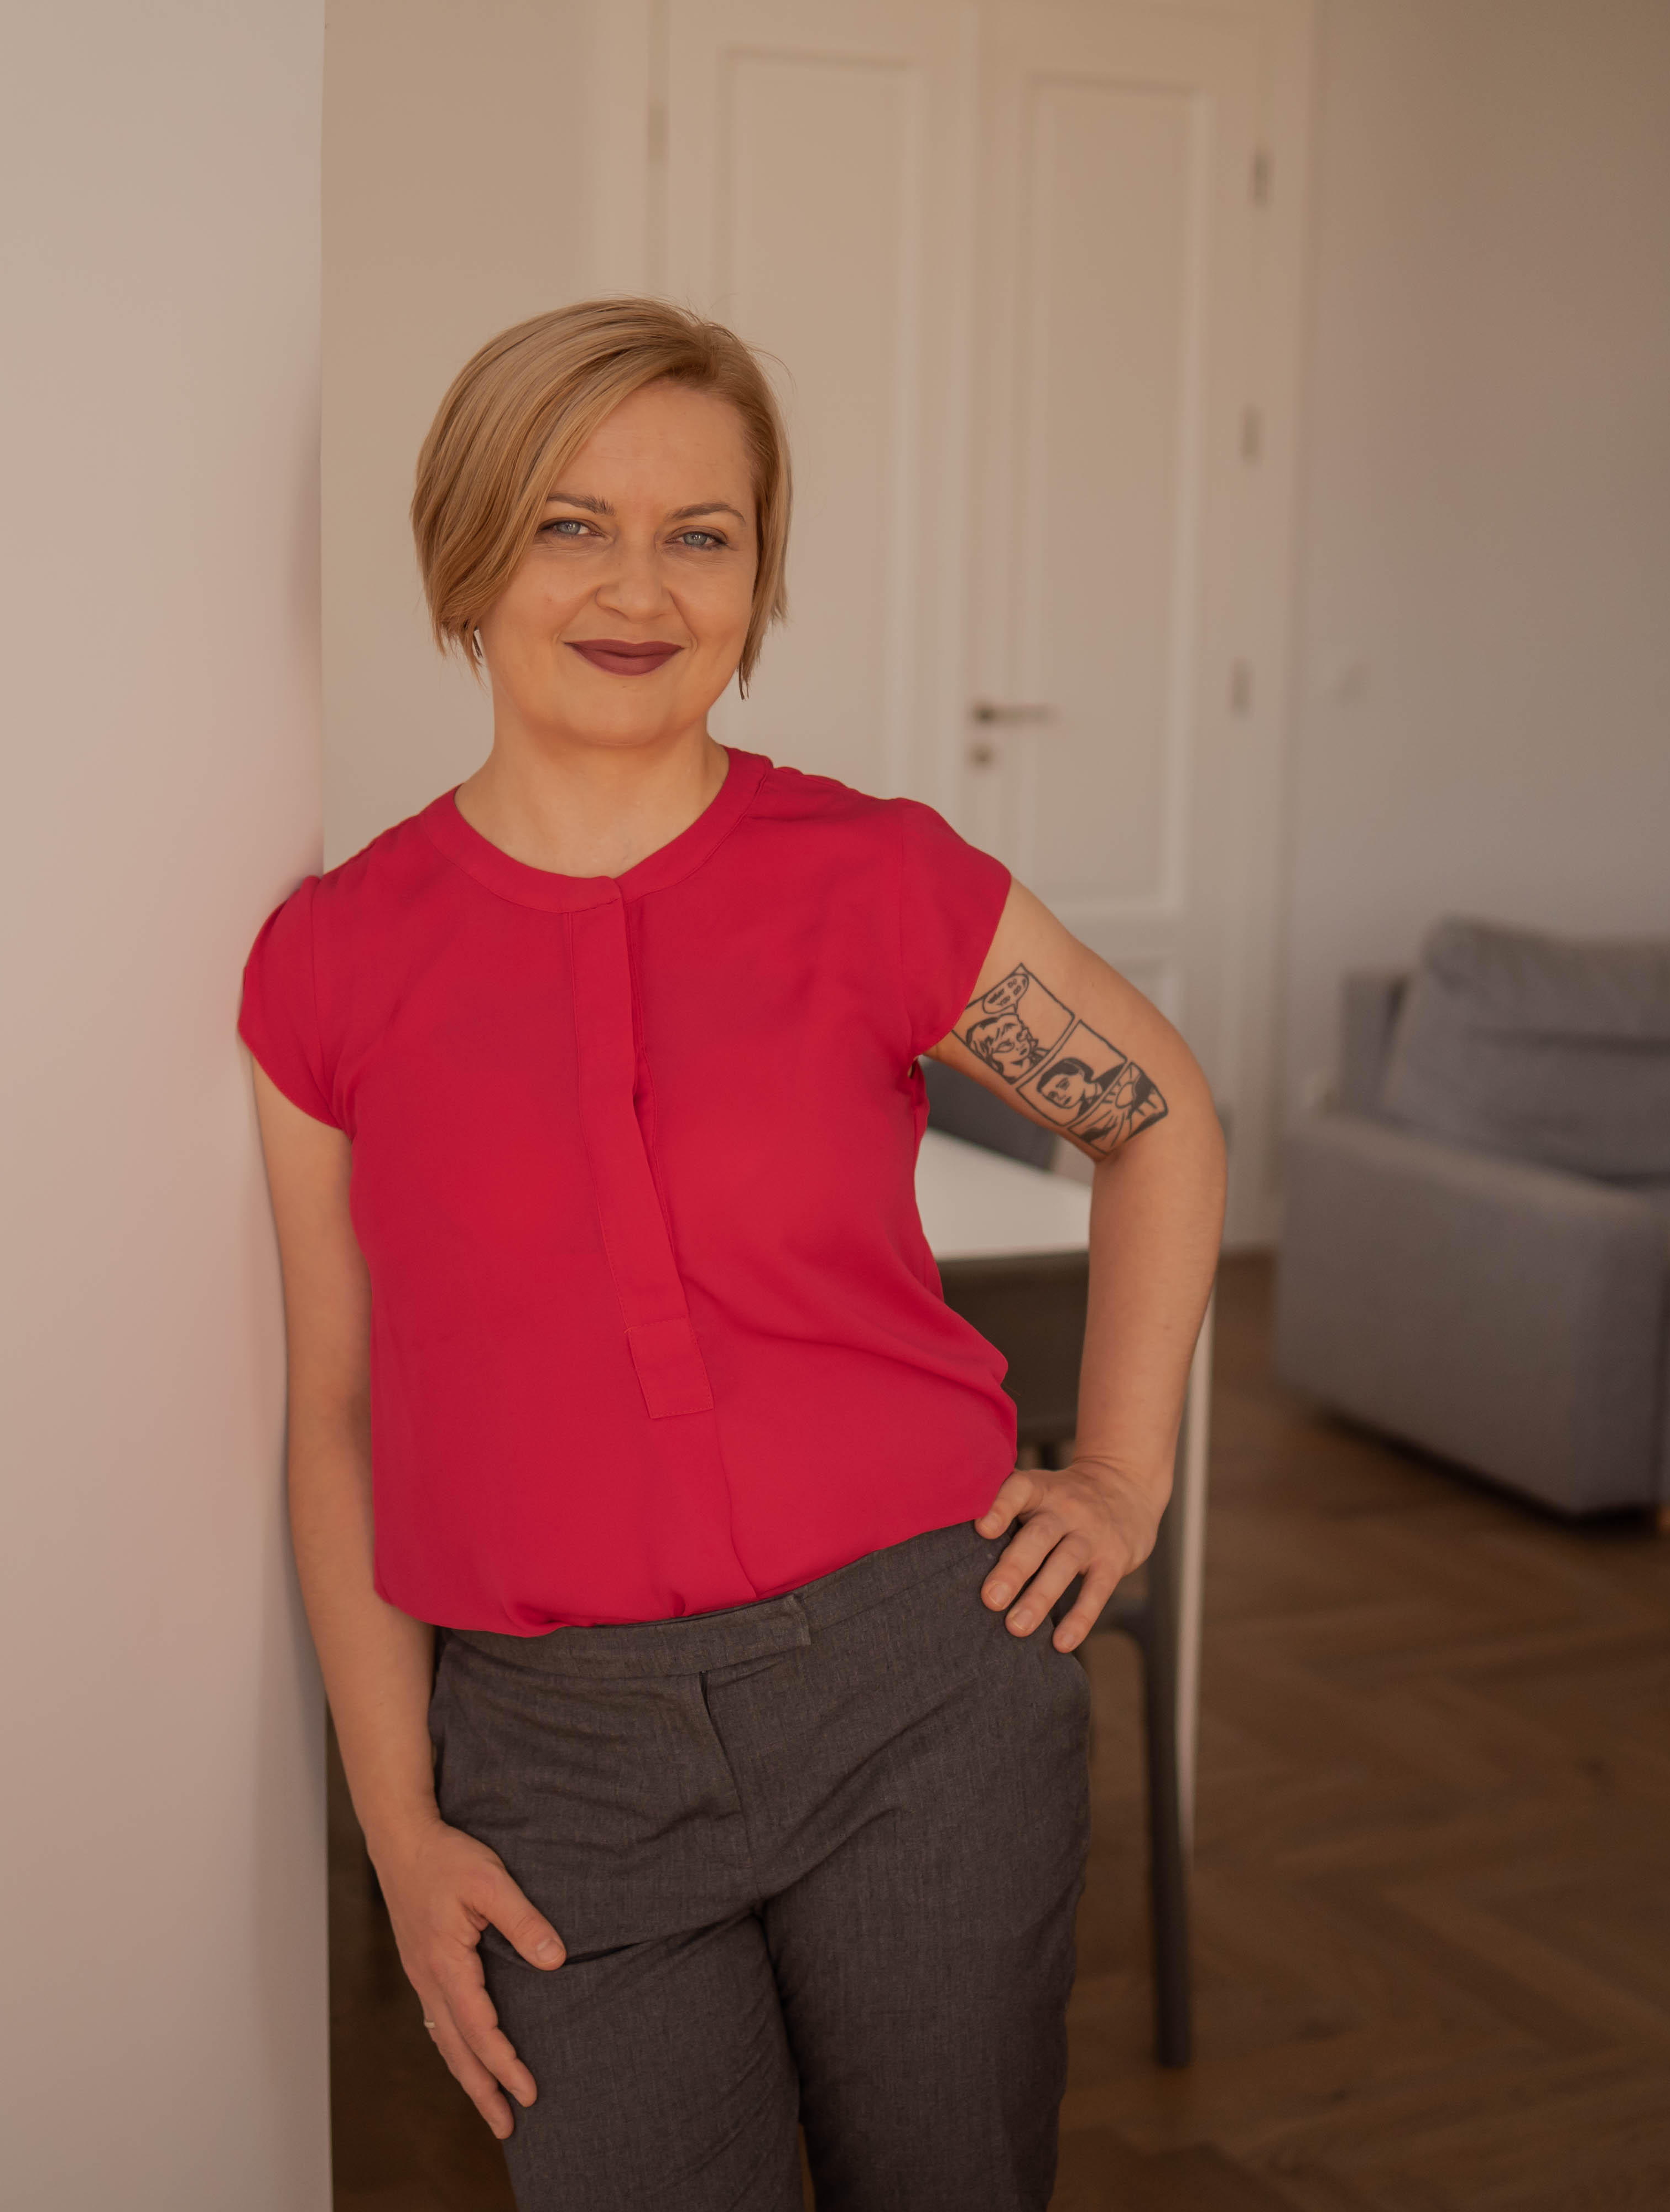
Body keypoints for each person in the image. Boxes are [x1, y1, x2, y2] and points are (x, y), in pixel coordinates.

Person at [241, 297, 1225, 2211]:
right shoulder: (332, 964)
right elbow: (340, 1414)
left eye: (701, 534)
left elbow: (1161, 1114)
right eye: (570, 522)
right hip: (558, 1763)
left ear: (759, 577)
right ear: (467, 545)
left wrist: (1121, 1472)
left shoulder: (876, 880)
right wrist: (397, 1824)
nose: (640, 588)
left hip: (925, 1698)